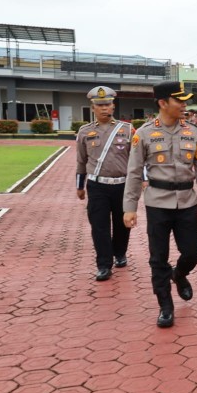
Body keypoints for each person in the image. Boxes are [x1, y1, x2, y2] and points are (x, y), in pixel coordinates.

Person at [123, 81, 197, 328]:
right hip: (157, 203)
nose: (184, 105)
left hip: (187, 202)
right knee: (158, 257)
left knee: (192, 252)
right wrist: (129, 207)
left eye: (185, 101)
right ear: (163, 103)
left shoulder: (194, 132)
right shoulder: (142, 134)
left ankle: (180, 275)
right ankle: (165, 305)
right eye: (179, 100)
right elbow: (133, 172)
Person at [75, 86, 134, 281]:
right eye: (99, 105)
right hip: (97, 186)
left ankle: (120, 253)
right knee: (99, 226)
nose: (103, 108)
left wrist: (140, 181)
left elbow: (136, 159)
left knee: (121, 224)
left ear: (113, 106)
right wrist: (79, 186)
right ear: (92, 108)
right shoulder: (85, 132)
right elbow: (81, 161)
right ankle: (103, 264)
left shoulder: (126, 129)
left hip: (121, 185)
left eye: (107, 104)